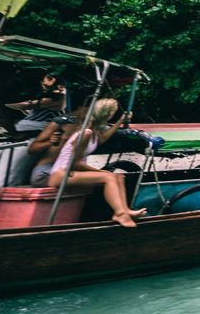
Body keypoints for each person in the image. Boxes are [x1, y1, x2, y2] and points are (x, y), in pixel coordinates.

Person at [45, 98, 145, 228]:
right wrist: (99, 171)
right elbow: (74, 163)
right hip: (61, 174)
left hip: (69, 172)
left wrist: (120, 121)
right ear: (106, 115)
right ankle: (119, 214)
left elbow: (102, 140)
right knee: (108, 177)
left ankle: (125, 210)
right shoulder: (86, 133)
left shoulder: (93, 132)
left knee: (119, 177)